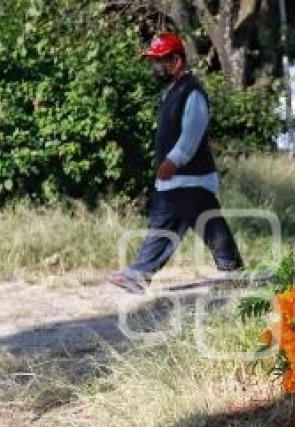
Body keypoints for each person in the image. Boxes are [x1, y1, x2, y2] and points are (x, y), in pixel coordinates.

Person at [108, 32, 243, 293]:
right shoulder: (171, 92)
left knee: (204, 225)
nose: (155, 67)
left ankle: (141, 274)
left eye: (160, 60)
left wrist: (174, 160)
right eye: (154, 61)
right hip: (177, 179)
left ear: (177, 61)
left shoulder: (192, 93)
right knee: (172, 226)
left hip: (189, 176)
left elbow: (192, 132)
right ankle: (140, 274)